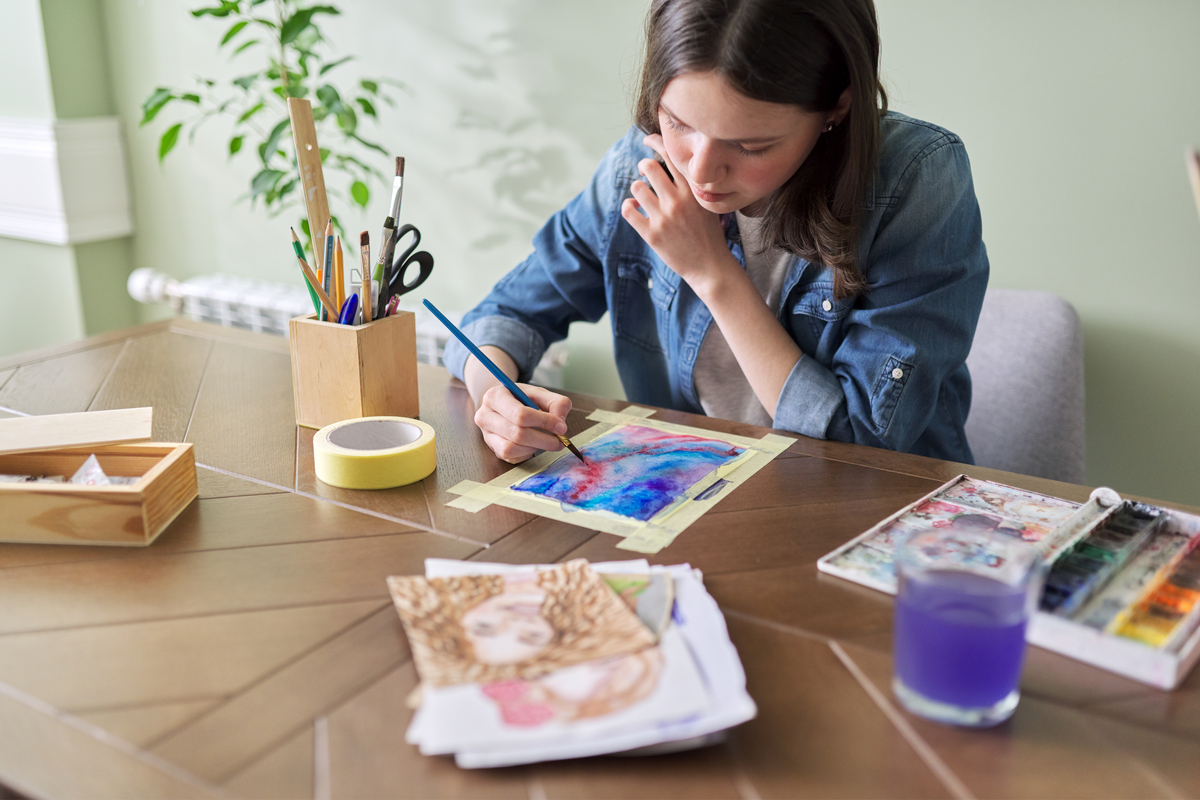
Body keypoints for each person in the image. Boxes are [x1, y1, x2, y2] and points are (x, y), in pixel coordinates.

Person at [443, 0, 989, 465]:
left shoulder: (916, 181)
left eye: (750, 147)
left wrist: (711, 271)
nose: (701, 170)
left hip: (872, 516)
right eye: (679, 123)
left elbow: (862, 443)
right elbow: (507, 313)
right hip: (697, 493)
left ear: (837, 107)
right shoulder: (640, 166)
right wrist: (496, 397)